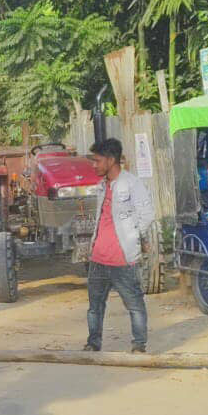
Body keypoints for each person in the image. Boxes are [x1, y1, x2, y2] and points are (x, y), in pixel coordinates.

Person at [83, 138, 156, 353]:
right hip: (98, 258)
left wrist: (134, 237)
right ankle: (93, 343)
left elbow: (147, 214)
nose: (94, 165)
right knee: (95, 307)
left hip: (123, 258)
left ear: (111, 160)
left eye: (97, 160)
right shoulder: (102, 185)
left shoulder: (131, 183)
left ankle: (139, 345)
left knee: (134, 305)